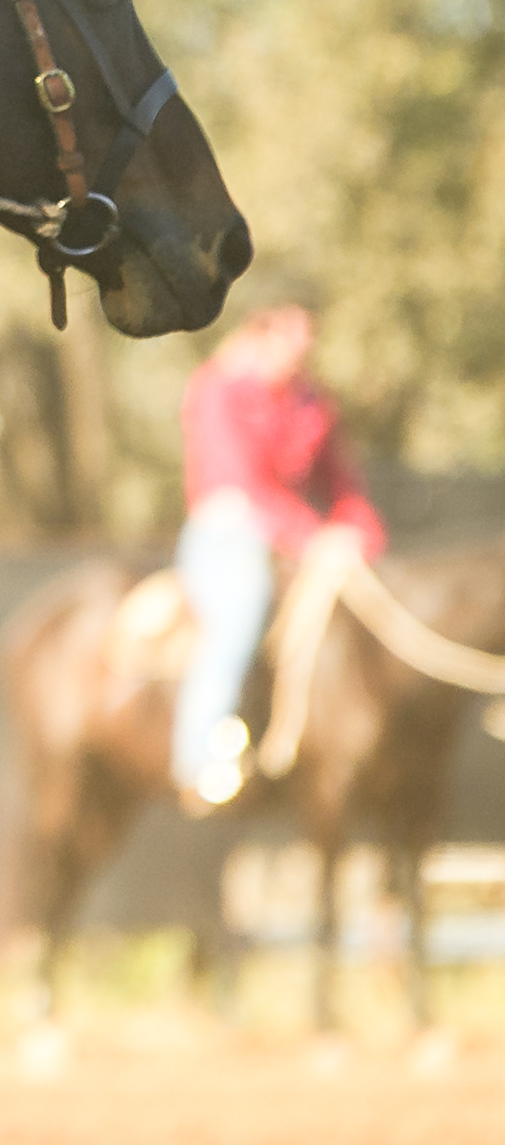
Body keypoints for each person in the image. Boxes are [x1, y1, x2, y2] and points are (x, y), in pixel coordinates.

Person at [171, 296, 381, 810]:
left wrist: (362, 535)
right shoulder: (219, 390)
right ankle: (197, 761)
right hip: (230, 532)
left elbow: (343, 483)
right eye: (293, 338)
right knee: (241, 612)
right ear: (259, 334)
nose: (302, 351)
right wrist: (315, 538)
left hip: (300, 538)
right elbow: (245, 486)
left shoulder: (313, 402)